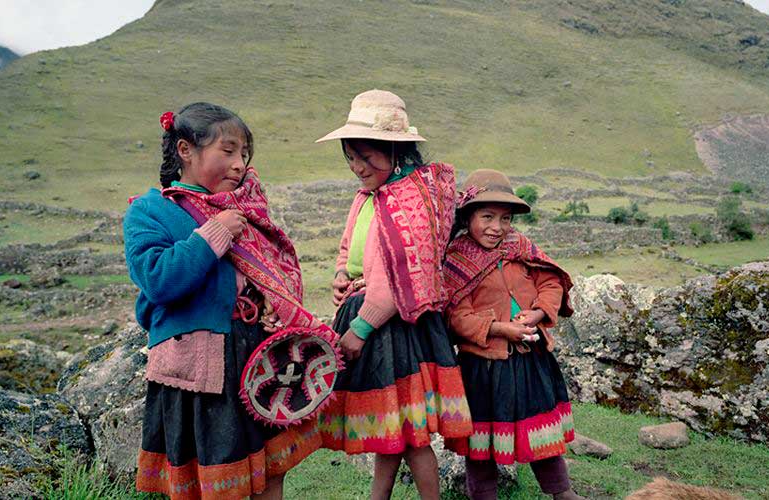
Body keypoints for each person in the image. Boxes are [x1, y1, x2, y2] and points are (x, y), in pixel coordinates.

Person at [125, 102, 320, 499]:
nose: (239, 164)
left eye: (244, 155)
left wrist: (269, 306)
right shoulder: (150, 212)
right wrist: (213, 235)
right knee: (212, 480)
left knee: (270, 469)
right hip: (199, 371)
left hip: (254, 358)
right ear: (185, 150)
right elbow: (159, 281)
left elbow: (268, 275)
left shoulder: (245, 211)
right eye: (228, 151)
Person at [314, 89, 472, 499]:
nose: (358, 167)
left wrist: (359, 330)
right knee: (392, 431)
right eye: (351, 158)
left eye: (367, 157)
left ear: (394, 150)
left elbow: (391, 284)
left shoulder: (410, 202)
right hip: (368, 315)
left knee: (413, 433)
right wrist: (340, 276)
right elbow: (349, 247)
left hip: (396, 329)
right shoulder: (367, 198)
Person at [442, 169, 583, 500]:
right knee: (481, 442)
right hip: (483, 366)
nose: (497, 227)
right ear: (468, 216)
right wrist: (500, 329)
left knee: (541, 429)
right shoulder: (456, 260)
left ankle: (563, 493)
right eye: (487, 217)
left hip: (531, 358)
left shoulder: (521, 246)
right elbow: (453, 316)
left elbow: (551, 283)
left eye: (505, 218)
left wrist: (536, 313)